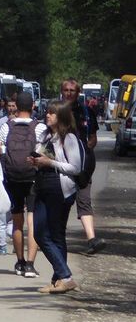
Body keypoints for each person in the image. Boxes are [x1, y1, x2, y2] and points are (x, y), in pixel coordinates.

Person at [31, 101, 83, 293]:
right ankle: (61, 278)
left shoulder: (68, 138)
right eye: (48, 112)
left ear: (61, 116)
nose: (48, 115)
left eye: (52, 113)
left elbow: (75, 168)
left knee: (51, 234)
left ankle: (62, 278)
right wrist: (36, 161)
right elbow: (43, 159)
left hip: (60, 189)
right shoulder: (45, 136)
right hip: (43, 186)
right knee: (42, 232)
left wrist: (50, 162)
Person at [0, 91, 44, 277]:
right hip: (33, 177)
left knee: (17, 221)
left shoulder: (6, 127)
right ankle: (31, 265)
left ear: (15, 107)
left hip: (13, 178)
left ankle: (20, 262)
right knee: (32, 221)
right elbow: (47, 150)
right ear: (32, 106)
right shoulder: (40, 128)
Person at [60, 79, 105, 254]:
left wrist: (86, 149)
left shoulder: (87, 112)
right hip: (61, 164)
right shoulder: (56, 111)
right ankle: (56, 238)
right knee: (60, 203)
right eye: (66, 90)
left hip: (83, 166)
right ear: (62, 91)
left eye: (72, 90)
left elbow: (93, 137)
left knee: (84, 201)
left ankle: (91, 239)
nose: (69, 93)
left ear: (78, 92)